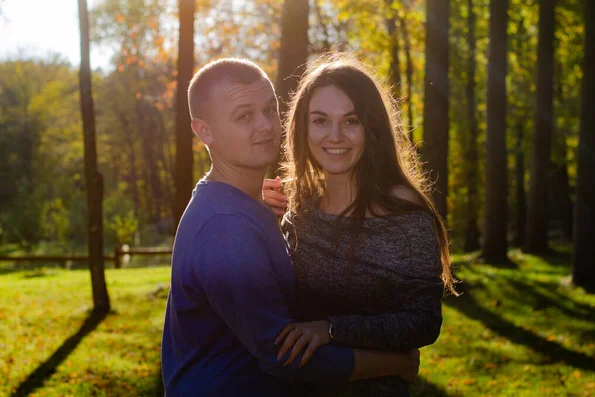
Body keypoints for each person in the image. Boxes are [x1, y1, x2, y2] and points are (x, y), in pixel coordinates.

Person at [161, 57, 421, 397]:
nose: (266, 126)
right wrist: (395, 364)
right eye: (244, 116)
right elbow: (283, 356)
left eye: (270, 109)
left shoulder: (241, 204)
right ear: (203, 130)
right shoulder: (226, 228)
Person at [263, 53, 458, 396]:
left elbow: (424, 323)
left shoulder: (401, 212)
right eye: (320, 120)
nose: (335, 136)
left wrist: (332, 329)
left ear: (371, 128)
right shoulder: (297, 203)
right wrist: (255, 214)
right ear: (302, 127)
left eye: (350, 121)